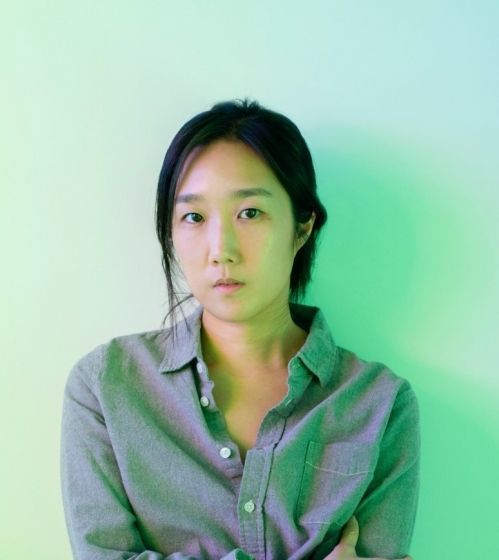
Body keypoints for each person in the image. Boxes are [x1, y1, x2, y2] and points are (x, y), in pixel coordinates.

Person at [60, 99, 420, 560]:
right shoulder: (106, 388)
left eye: (250, 213)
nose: (221, 250)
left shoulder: (380, 403)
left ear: (303, 226)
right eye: (194, 217)